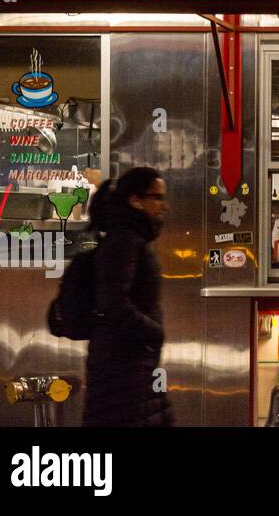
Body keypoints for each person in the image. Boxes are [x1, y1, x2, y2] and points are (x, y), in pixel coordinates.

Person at [84, 166, 175, 427]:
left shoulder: (128, 238)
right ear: (135, 200)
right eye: (156, 198)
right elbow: (114, 303)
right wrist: (152, 332)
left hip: (129, 364)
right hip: (123, 367)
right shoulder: (125, 241)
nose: (163, 206)